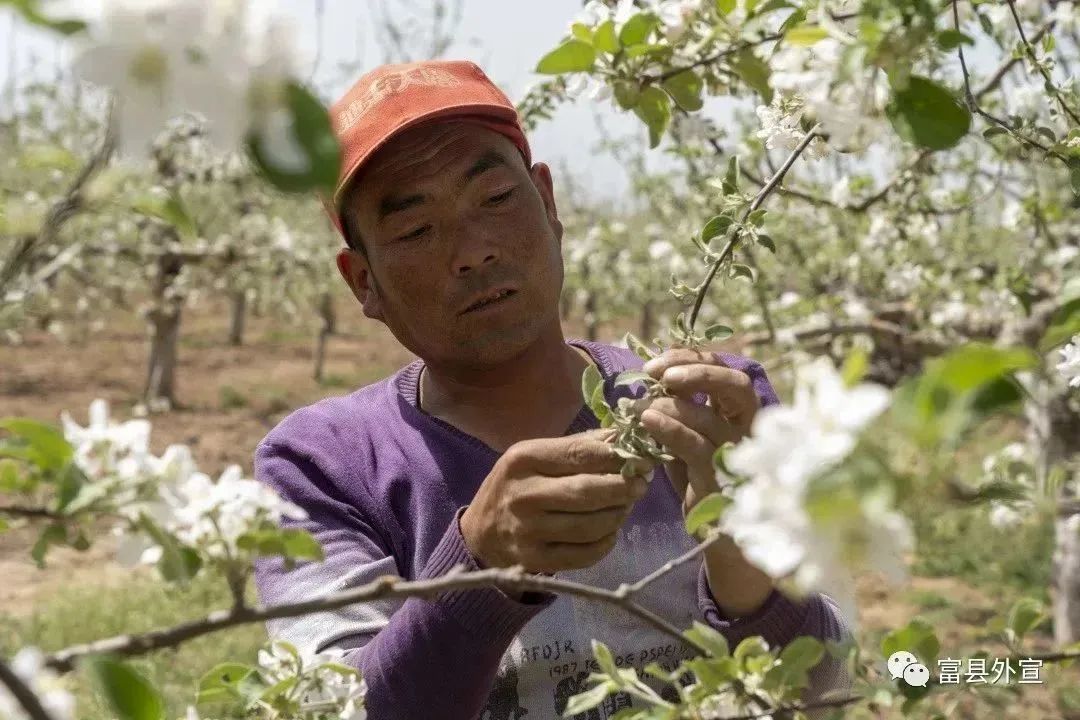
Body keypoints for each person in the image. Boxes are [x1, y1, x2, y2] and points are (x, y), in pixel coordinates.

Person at [253, 59, 852, 719]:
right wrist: (476, 569)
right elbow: (333, 708)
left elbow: (825, 686)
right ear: (362, 282)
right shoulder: (322, 466)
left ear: (548, 203)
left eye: (496, 199)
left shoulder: (713, 408)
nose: (473, 250)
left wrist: (749, 568)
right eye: (416, 230)